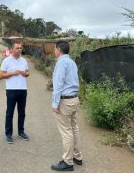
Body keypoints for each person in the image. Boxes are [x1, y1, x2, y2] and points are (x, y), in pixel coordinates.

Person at [51, 41, 83, 171]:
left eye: (55, 49)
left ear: (58, 49)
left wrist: (55, 103)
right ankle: (77, 156)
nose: (54, 51)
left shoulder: (61, 63)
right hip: (74, 99)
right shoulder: (72, 62)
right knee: (74, 128)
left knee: (66, 131)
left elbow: (58, 84)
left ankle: (68, 162)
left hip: (65, 101)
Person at [0, 42, 30, 144]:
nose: (19, 50)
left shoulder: (24, 60)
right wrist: (13, 73)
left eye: (21, 48)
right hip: (11, 90)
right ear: (12, 49)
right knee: (10, 113)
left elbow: (28, 73)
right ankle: (8, 134)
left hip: (23, 89)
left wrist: (25, 73)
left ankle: (21, 132)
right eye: (17, 48)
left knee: (22, 112)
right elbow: (1, 75)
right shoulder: (6, 61)